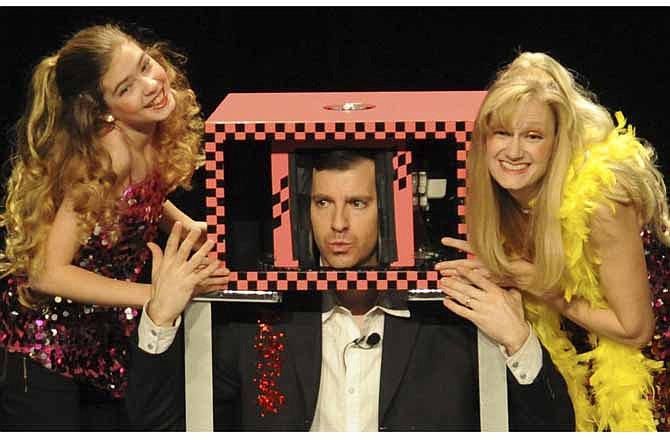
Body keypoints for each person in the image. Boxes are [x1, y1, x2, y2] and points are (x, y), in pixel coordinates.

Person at [126, 149, 575, 431]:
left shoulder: (449, 318)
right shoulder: (262, 318)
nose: (337, 224)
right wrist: (159, 320)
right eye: (323, 203)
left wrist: (519, 342)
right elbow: (158, 425)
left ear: (392, 210)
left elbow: (554, 429)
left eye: (357, 204)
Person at [0, 24, 228, 430]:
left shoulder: (152, 131)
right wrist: (155, 296)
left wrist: (185, 224)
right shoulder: (107, 153)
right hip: (43, 346)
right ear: (103, 108)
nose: (151, 84)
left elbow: (139, 197)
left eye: (145, 65)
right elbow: (47, 273)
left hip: (99, 337)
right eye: (126, 87)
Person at [435, 51, 670, 431]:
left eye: (532, 136)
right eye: (502, 133)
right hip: (580, 370)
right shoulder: (497, 195)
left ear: (557, 142)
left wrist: (539, 286)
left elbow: (636, 328)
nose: (513, 152)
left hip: (647, 381)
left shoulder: (601, 200)